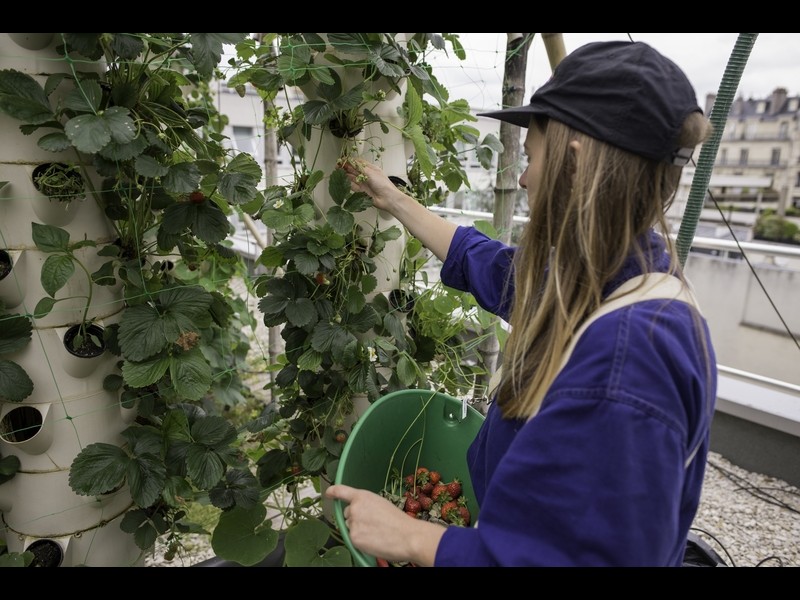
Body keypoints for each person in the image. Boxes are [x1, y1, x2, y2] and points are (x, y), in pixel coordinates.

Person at [326, 40, 717, 567]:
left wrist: (412, 537)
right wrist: (395, 199)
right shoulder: (605, 276)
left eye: (532, 157)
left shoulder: (627, 363)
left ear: (574, 163)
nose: (524, 177)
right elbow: (491, 266)